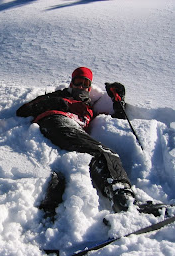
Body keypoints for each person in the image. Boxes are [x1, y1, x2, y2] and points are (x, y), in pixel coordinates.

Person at [16, 67, 171, 217]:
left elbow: (116, 123)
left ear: (90, 87)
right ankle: (125, 202)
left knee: (99, 157)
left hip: (71, 130)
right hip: (57, 121)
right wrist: (58, 102)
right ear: (71, 83)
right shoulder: (60, 95)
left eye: (86, 83)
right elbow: (23, 110)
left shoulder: (89, 107)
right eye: (78, 81)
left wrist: (118, 104)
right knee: (103, 154)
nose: (81, 86)